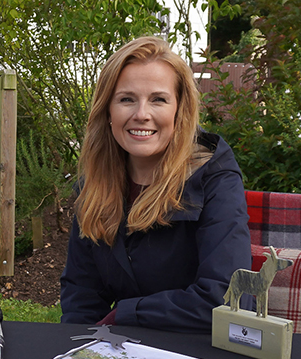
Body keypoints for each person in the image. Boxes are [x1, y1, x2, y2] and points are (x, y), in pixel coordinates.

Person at [60, 36, 251, 332]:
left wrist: (128, 313)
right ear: (107, 110)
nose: (141, 114)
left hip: (197, 350)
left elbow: (228, 297)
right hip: (121, 350)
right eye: (126, 99)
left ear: (179, 110)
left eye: (158, 99)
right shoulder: (95, 184)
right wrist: (77, 347)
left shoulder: (214, 178)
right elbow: (81, 294)